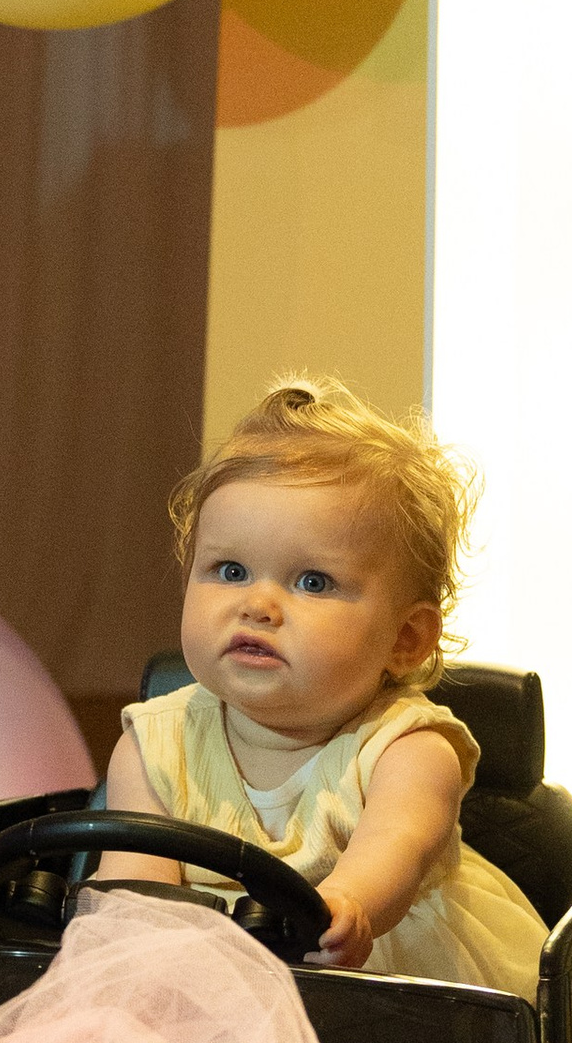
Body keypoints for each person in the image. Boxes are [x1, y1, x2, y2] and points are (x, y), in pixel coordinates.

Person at [102, 374, 546, 993]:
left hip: (377, 984)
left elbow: (395, 849)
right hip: (203, 981)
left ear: (405, 640)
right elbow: (136, 889)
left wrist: (349, 903)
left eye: (311, 582)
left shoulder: (407, 750)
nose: (257, 604)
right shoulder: (153, 745)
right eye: (229, 570)